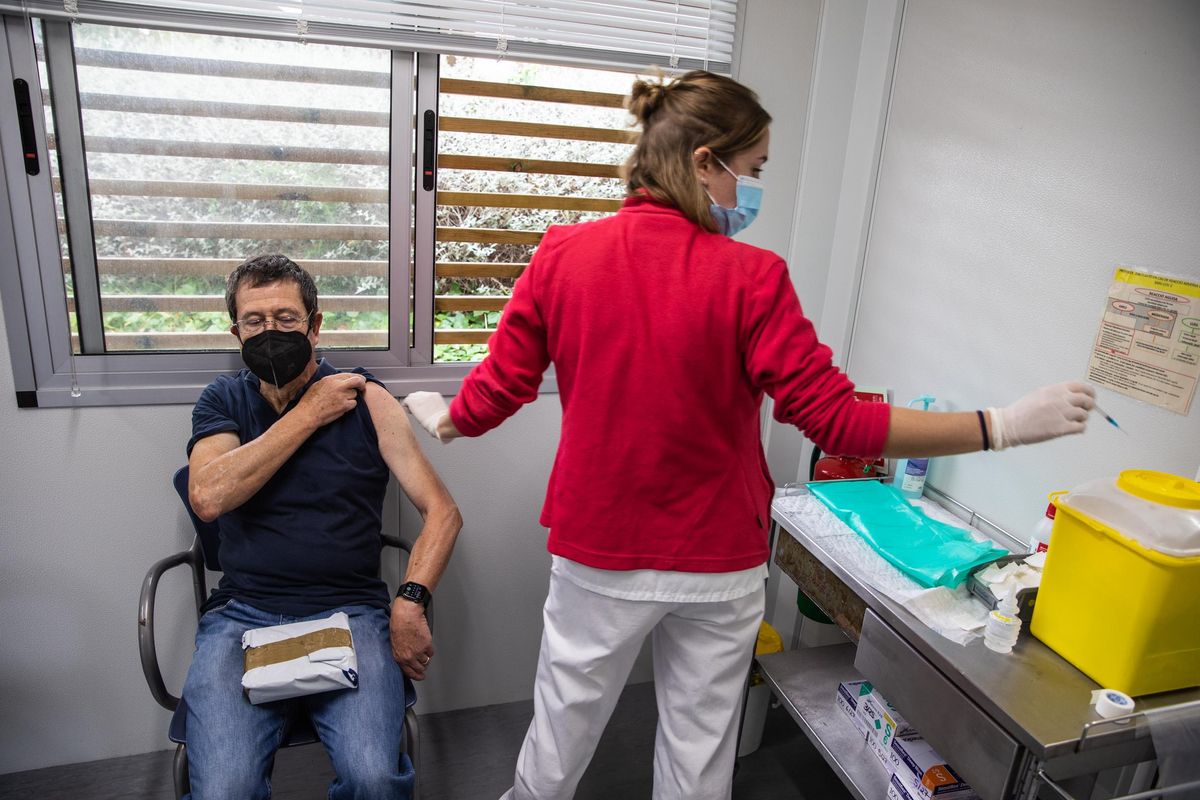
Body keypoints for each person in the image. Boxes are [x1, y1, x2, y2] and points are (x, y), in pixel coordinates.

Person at [402, 71, 1094, 800]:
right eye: (752, 170)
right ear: (706, 162)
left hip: (602, 552)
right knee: (698, 760)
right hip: (718, 561)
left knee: (557, 741)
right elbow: (837, 419)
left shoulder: (563, 254)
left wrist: (445, 417)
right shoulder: (752, 277)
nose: (752, 189)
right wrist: (1001, 426)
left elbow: (496, 392)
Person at [183, 254, 462, 800]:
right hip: (243, 613)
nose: (270, 332)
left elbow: (442, 512)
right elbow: (209, 497)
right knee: (224, 791)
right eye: (255, 321)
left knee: (375, 780)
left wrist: (408, 601)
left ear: (315, 324)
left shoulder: (369, 399)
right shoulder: (224, 398)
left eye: (286, 319)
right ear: (234, 330)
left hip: (350, 609)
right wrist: (307, 412)